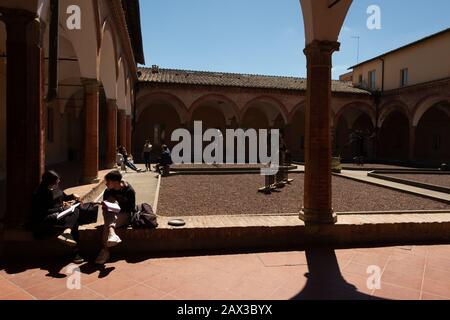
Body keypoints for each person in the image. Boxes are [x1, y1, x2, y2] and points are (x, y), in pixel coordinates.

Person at [32, 171, 84, 264]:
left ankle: (67, 232)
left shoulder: (56, 189)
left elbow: (64, 197)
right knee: (74, 222)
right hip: (50, 218)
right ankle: (75, 252)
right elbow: (42, 212)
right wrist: (61, 209)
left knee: (75, 210)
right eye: (56, 181)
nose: (58, 182)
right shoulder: (39, 194)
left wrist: (72, 196)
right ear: (49, 182)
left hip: (61, 214)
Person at [95, 170, 136, 265]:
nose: (106, 184)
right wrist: (106, 204)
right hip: (112, 216)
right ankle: (112, 234)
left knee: (107, 225)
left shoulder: (129, 190)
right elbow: (105, 206)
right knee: (109, 210)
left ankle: (105, 251)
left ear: (115, 182)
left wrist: (118, 206)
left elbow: (131, 208)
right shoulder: (108, 191)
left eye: (108, 182)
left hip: (125, 216)